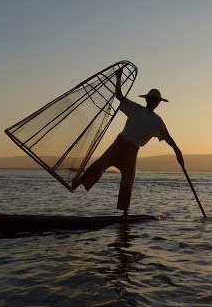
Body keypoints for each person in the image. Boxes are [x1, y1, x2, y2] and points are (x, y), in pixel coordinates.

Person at [71, 68, 184, 216]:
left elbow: (168, 138)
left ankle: (124, 213)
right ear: (147, 99)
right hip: (119, 144)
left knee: (128, 179)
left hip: (132, 150)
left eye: (156, 101)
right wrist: (118, 78)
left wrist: (178, 152)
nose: (154, 102)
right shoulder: (135, 109)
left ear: (158, 103)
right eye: (152, 99)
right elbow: (119, 96)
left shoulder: (157, 121)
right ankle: (76, 184)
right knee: (100, 164)